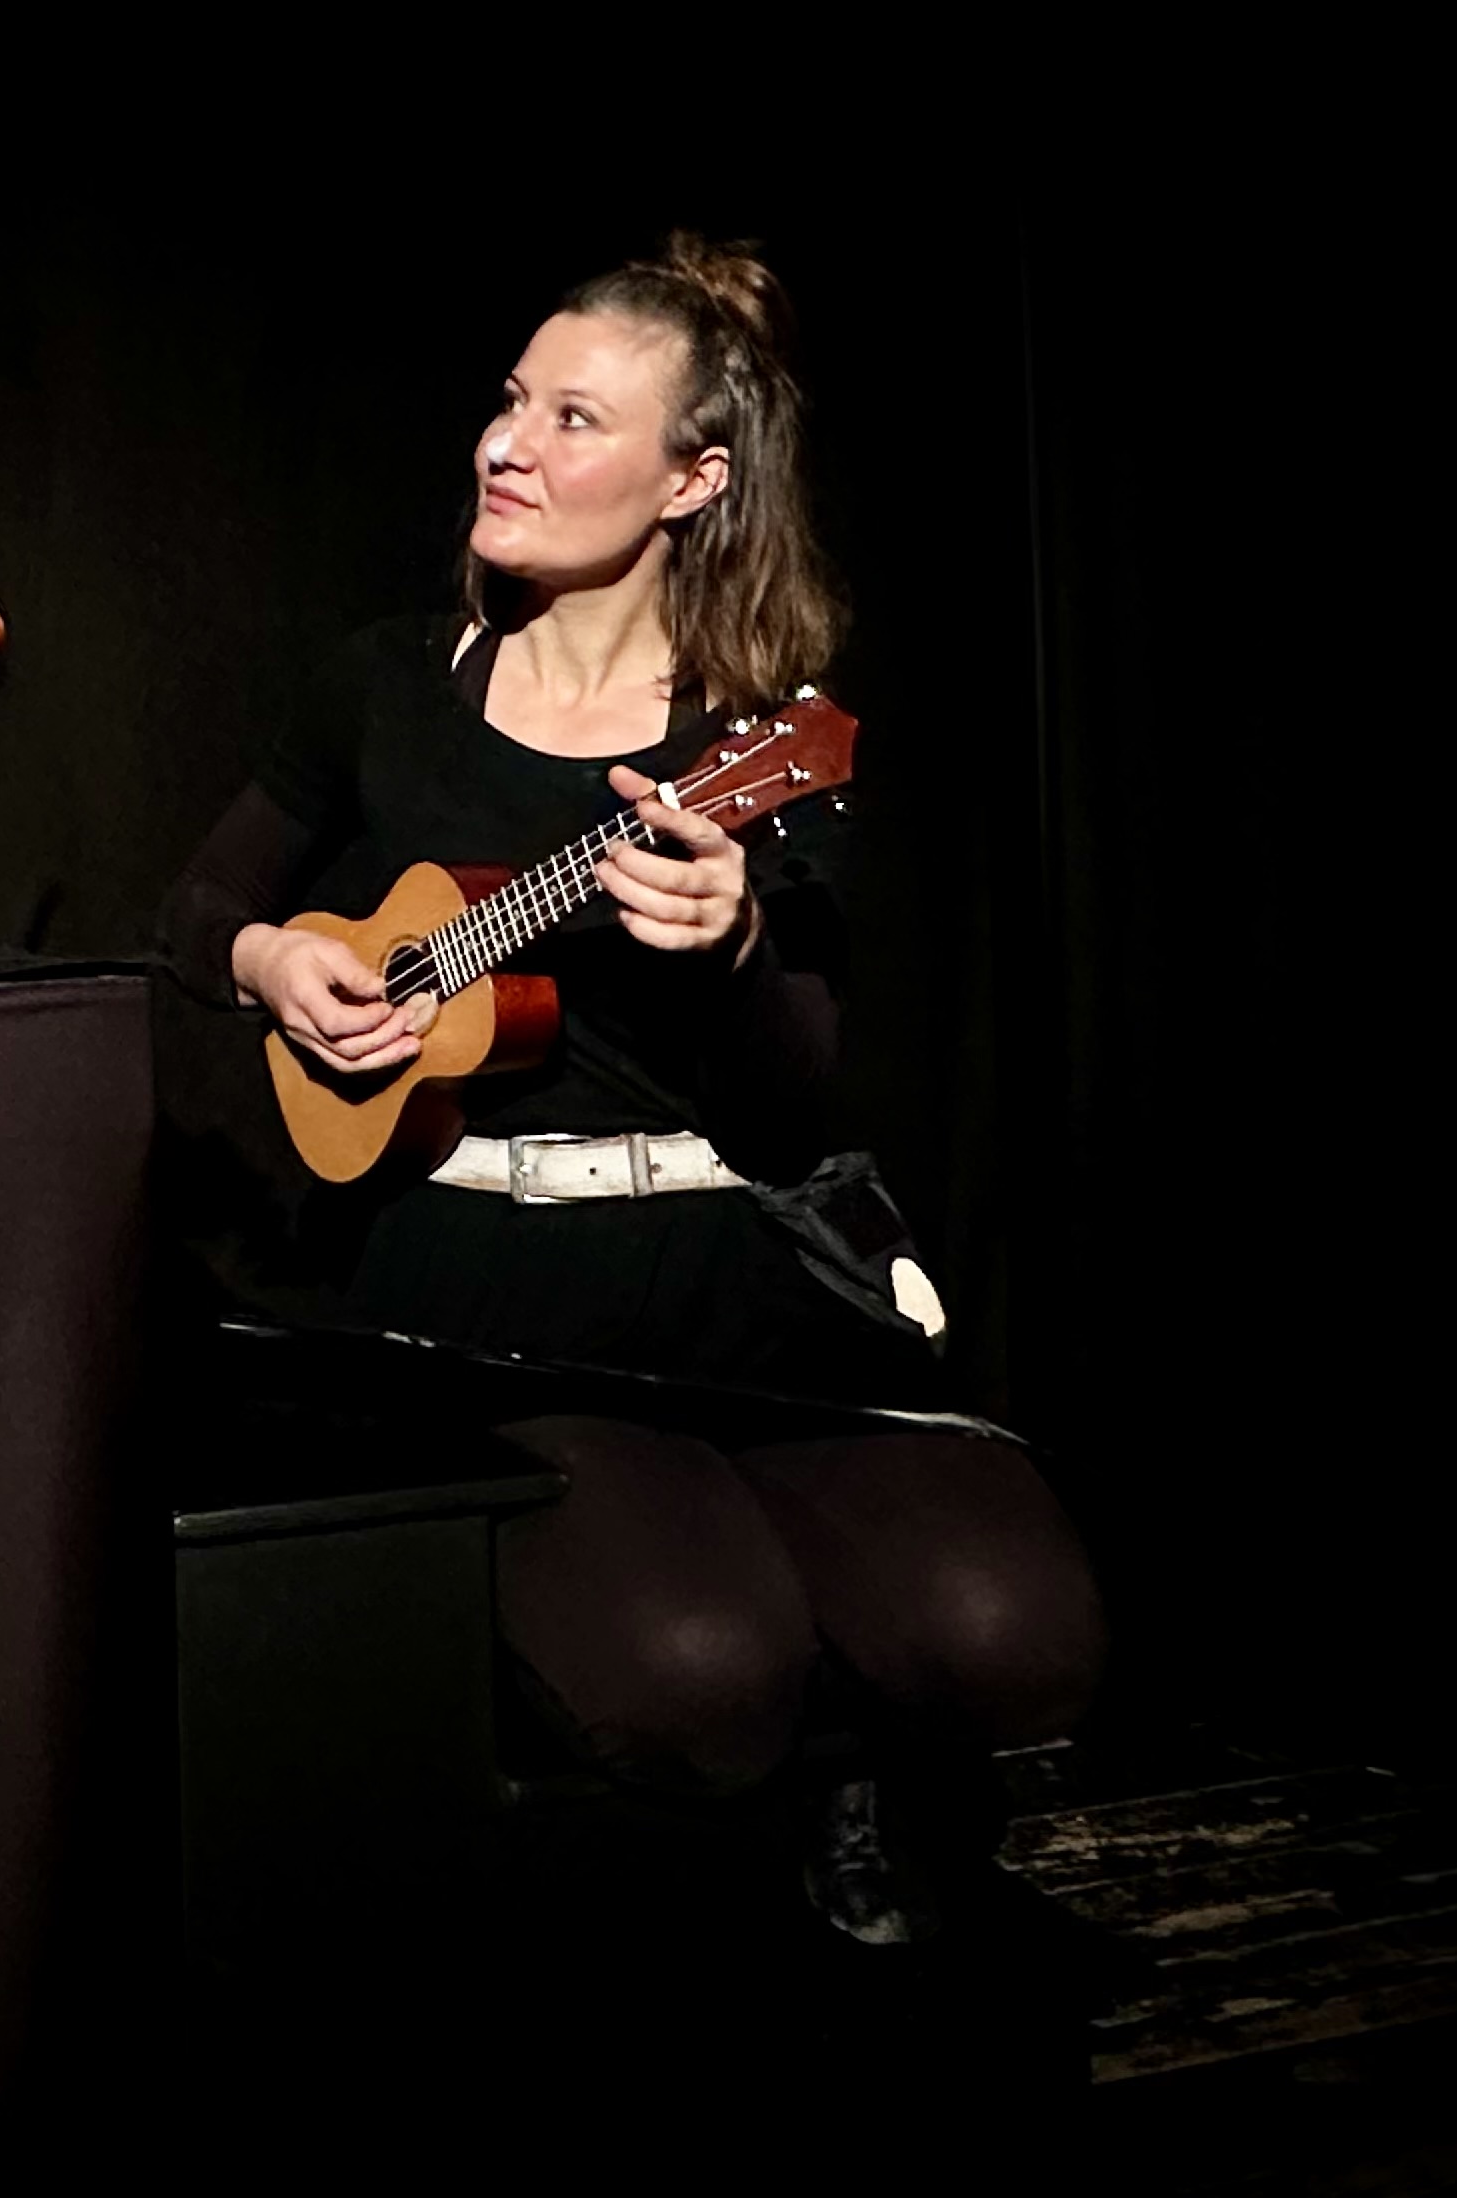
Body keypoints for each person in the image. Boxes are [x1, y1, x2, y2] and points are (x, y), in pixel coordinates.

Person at [158, 234, 1107, 1942]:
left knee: (1011, 1630)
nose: (503, 445)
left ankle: (866, 1785)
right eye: (511, 401)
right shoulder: (385, 681)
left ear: (695, 481)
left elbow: (794, 1103)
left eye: (573, 419)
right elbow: (198, 910)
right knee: (694, 1667)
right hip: (479, 1286)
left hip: (729, 1272)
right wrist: (275, 961)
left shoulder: (756, 743)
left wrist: (735, 946)